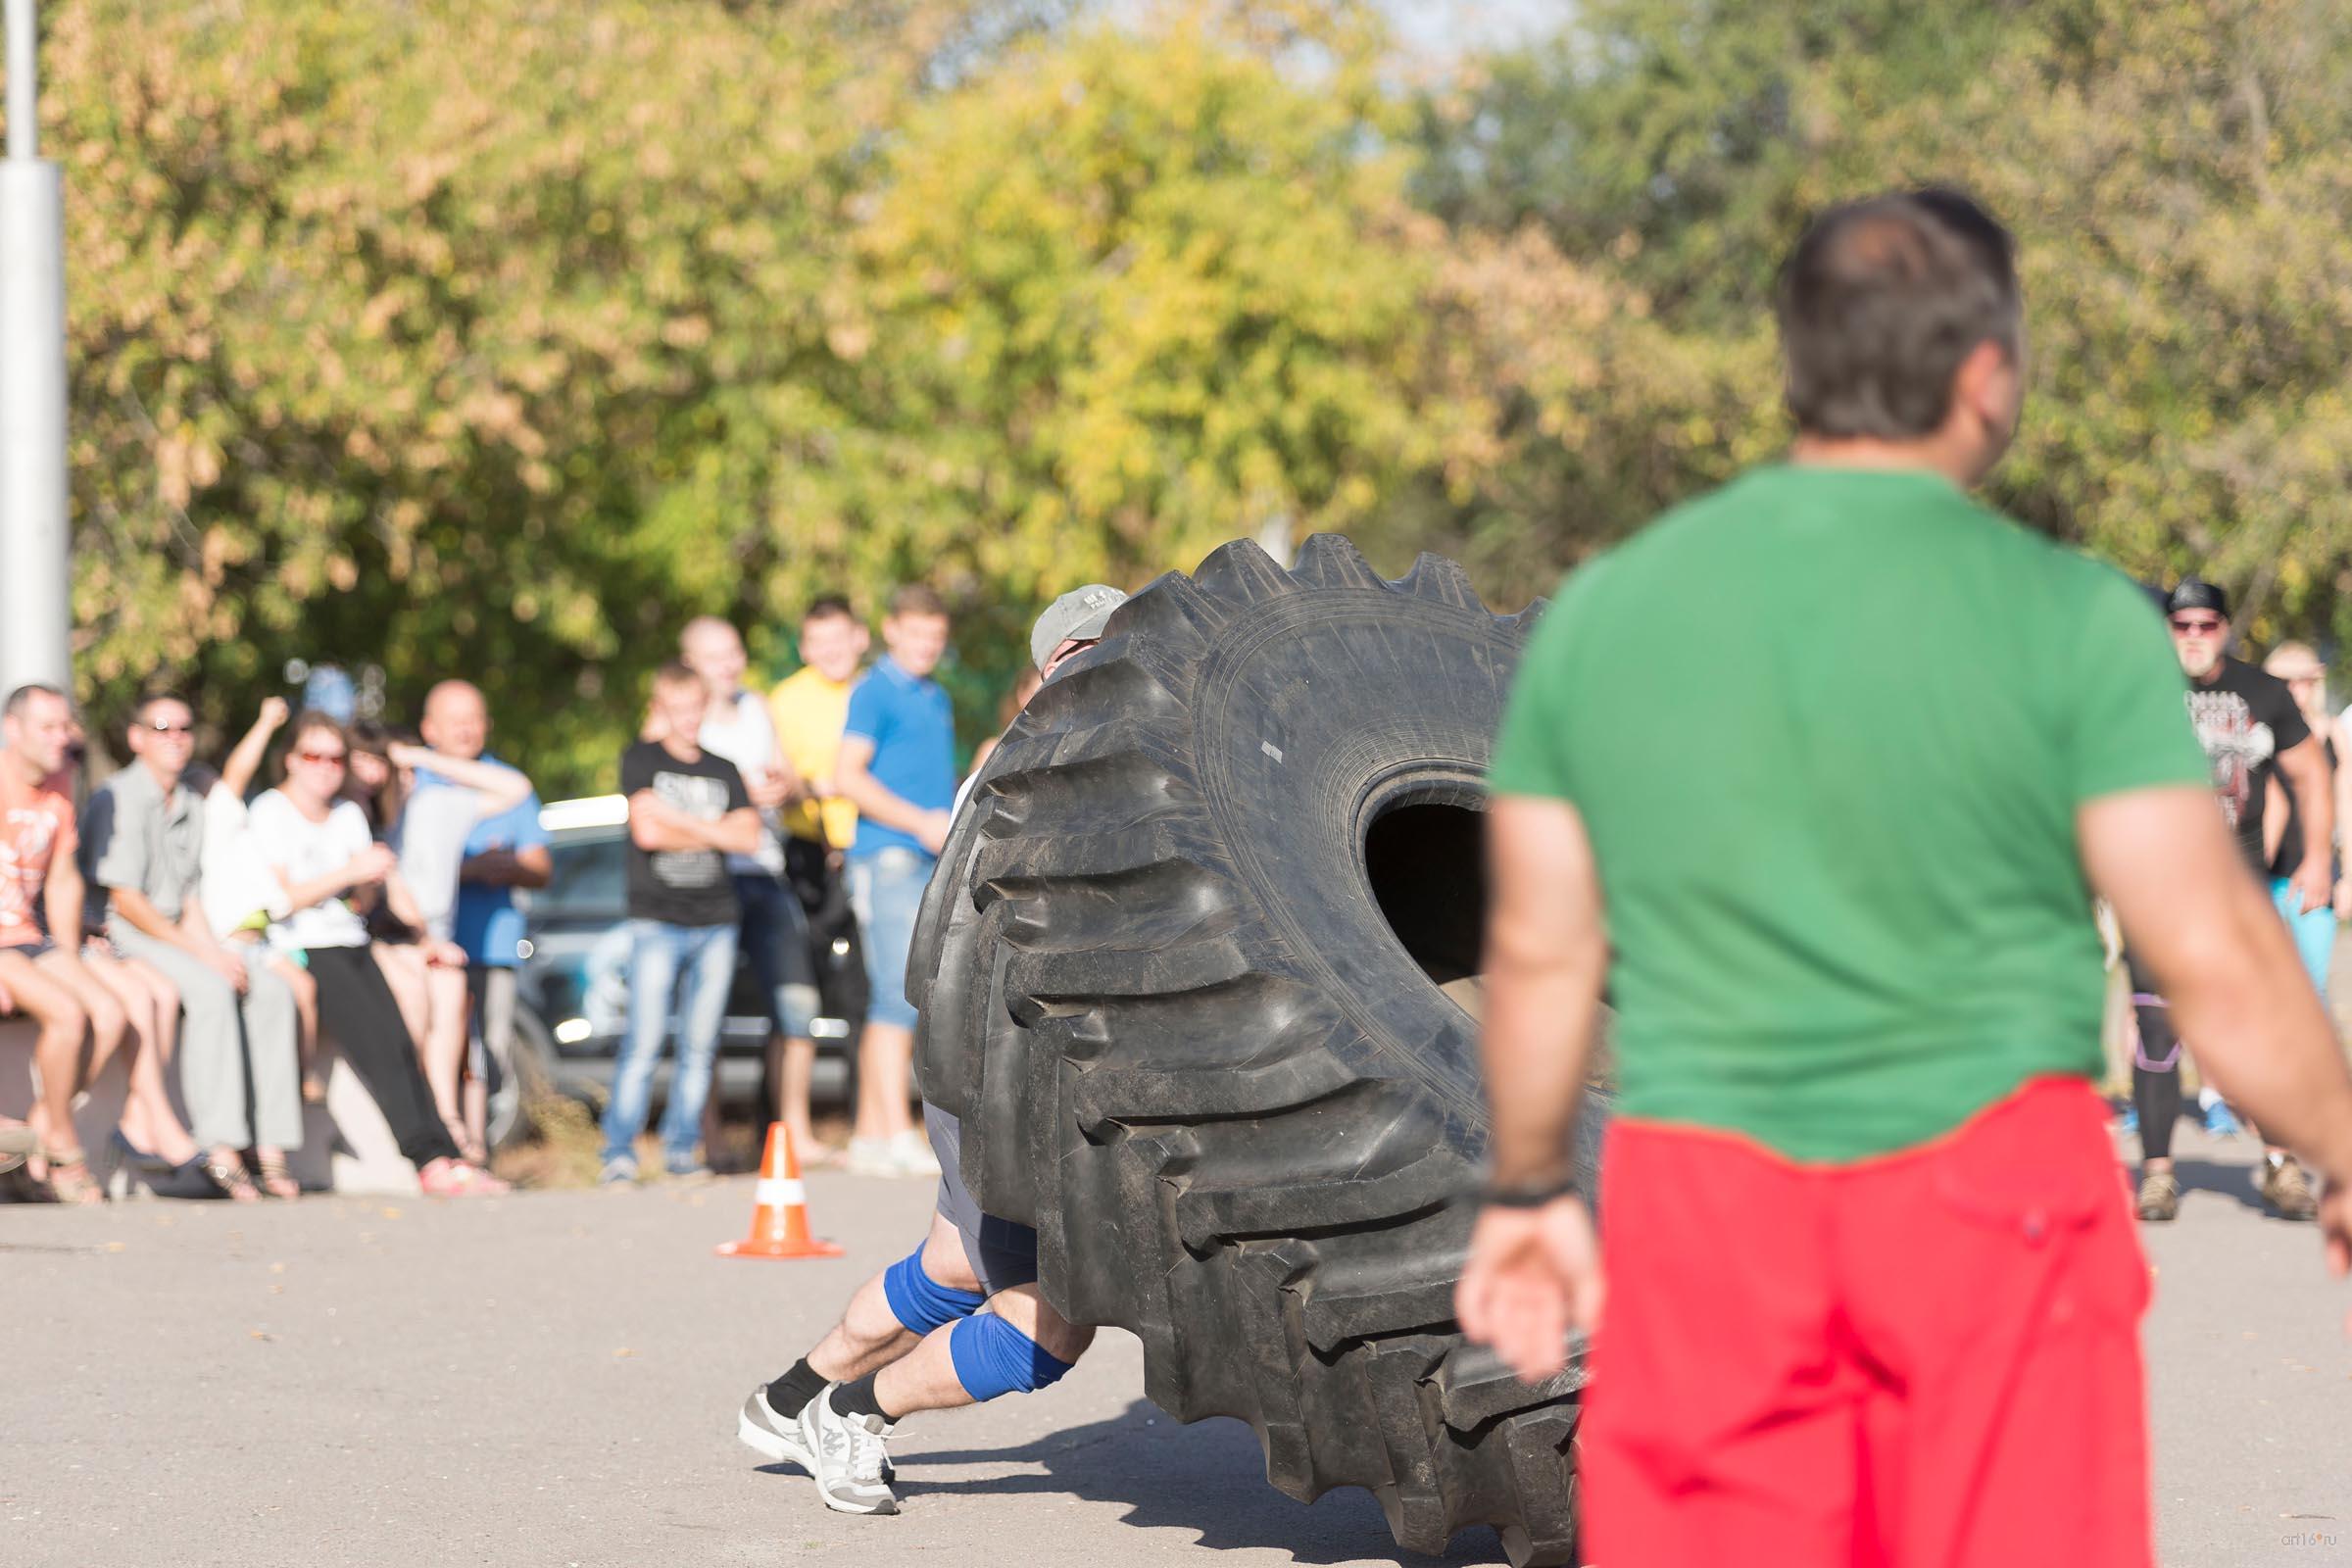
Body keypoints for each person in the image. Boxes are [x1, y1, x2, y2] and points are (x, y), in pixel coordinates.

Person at [1454, 189, 2352, 1568]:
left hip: (1710, 1210)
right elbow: (2212, 952)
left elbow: (1540, 951)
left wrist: (1526, 1191)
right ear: (1986, 373)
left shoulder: (1615, 614)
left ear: (1800, 364)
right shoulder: (2065, 618)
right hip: (1995, 1204)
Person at [736, 589, 1123, 1517]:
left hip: (982, 1064)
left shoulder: (1063, 747)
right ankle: (854, 1413)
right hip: (1008, 1073)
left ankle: (786, 1400)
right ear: (1069, 655)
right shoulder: (1045, 759)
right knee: (1049, 1326)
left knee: (951, 1266)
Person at [2126, 581, 2334, 1221]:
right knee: (2158, 1030)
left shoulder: (2262, 693)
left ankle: (2280, 1164)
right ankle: (2159, 1175)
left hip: (2236, 894)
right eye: (2181, 624)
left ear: (2223, 629)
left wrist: (2321, 857)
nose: (2193, 635)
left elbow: (2308, 772)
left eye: (2206, 624)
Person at [245, 710, 507, 1197]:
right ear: (290, 760)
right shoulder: (270, 812)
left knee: (402, 1043)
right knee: (381, 1051)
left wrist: (381, 898)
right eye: (313, 755)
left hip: (350, 940)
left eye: (335, 757)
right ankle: (427, 1160)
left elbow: (366, 900)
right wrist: (350, 874)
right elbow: (279, 901)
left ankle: (450, 1151)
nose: (325, 766)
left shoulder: (346, 815)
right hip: (302, 947)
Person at [88, 691, 305, 1202]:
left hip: (173, 929)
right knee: (209, 990)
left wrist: (216, 949)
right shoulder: (116, 795)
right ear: (136, 738)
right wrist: (205, 956)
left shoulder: (189, 801)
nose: (176, 739)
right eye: (162, 728)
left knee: (268, 990)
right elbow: (127, 900)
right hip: (121, 930)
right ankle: (220, 1144)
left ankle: (270, 1144)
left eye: (184, 728)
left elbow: (187, 897)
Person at [601, 662, 760, 1183]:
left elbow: (748, 837)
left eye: (695, 708)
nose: (688, 719)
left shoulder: (724, 767)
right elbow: (645, 833)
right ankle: (618, 1153)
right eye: (677, 710)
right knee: (643, 1042)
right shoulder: (640, 758)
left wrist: (678, 821)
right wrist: (715, 829)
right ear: (660, 710)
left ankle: (680, 1151)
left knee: (699, 1046)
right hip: (657, 920)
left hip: (717, 919)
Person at [677, 615, 825, 1165]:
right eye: (715, 655)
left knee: (797, 1001)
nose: (730, 663)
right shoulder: (677, 719)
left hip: (766, 870)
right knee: (704, 1015)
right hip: (710, 875)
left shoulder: (759, 708)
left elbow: (791, 782)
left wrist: (787, 789)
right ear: (690, 664)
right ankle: (707, 1139)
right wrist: (738, 799)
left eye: (735, 650)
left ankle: (795, 1134)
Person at [836, 586, 957, 1177]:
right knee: (894, 996)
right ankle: (895, 1133)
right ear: (891, 630)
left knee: (905, 997)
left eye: (936, 637)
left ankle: (870, 1135)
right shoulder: (874, 691)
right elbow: (846, 776)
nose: (927, 647)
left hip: (926, 860)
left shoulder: (935, 696)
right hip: (887, 860)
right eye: (917, 635)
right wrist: (918, 823)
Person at [1, 683, 137, 1202]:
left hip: (30, 936)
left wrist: (66, 954)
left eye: (65, 726)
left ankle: (44, 1124)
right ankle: (60, 1143)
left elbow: (60, 880)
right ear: (14, 730)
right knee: (66, 1014)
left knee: (108, 1011)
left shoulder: (58, 789)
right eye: (48, 727)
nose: (63, 737)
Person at [383, 737, 533, 1163]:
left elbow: (515, 789)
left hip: (440, 947)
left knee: (467, 1031)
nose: (399, 781)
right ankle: (433, 1128)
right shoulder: (359, 817)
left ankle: (458, 1134)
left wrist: (422, 757)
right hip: (392, 945)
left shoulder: (433, 807)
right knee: (424, 1003)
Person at [421, 680, 550, 1147]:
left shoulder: (506, 782)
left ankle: (479, 1148)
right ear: (428, 728)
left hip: (492, 946)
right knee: (437, 1047)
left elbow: (541, 866)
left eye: (474, 718)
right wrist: (466, 868)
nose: (466, 729)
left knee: (486, 1055)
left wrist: (504, 867)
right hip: (429, 946)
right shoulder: (415, 784)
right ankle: (438, 1144)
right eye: (454, 719)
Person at [769, 595, 874, 1139]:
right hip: (808, 854)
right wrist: (812, 786)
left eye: (841, 639)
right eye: (819, 643)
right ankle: (792, 1129)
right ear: (805, 646)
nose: (832, 652)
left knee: (865, 992)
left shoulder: (878, 689)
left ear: (860, 637)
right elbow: (779, 779)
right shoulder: (784, 700)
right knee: (797, 990)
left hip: (868, 846)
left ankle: (866, 1125)